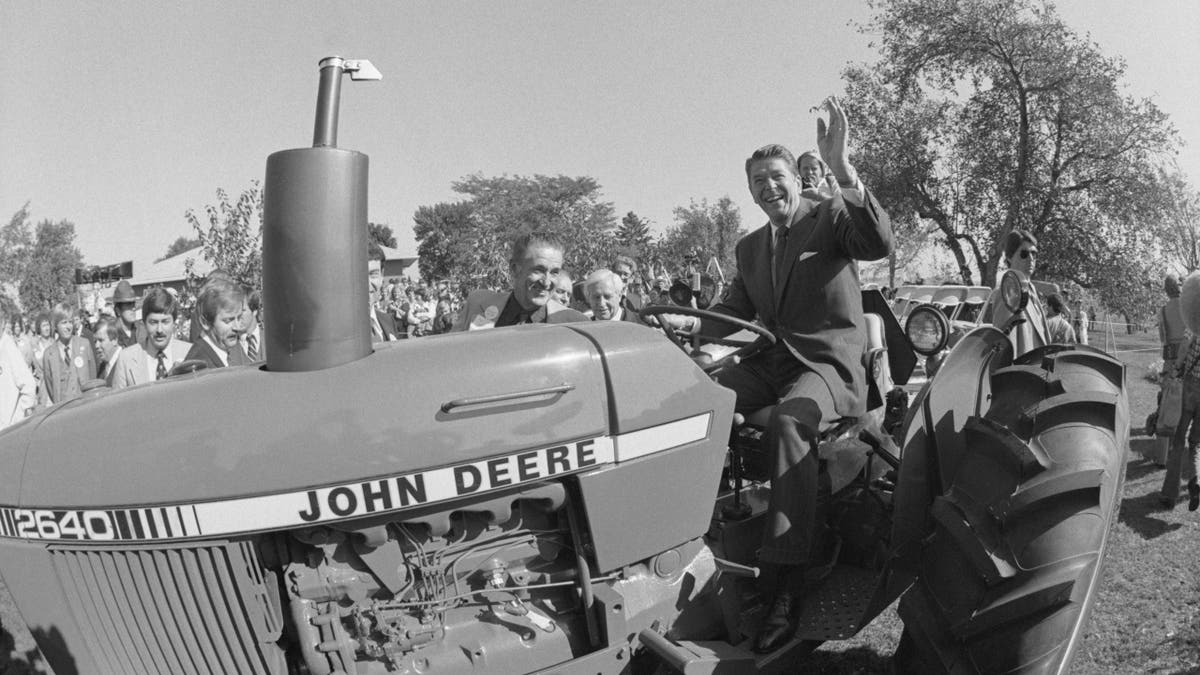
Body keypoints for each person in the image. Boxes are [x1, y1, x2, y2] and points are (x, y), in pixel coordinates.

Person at [684, 98, 893, 652]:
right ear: (751, 192)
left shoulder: (829, 217)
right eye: (758, 181)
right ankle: (689, 535)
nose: (769, 187)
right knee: (693, 401)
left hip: (826, 363)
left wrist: (843, 168)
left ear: (794, 181)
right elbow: (730, 316)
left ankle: (784, 583)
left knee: (792, 424)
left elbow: (877, 244)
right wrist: (692, 332)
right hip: (771, 361)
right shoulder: (749, 247)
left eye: (776, 176)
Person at [452, 231, 589, 331]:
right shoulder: (478, 304)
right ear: (514, 269)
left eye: (554, 273)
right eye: (538, 270)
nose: (546, 282)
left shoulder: (575, 323)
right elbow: (453, 354)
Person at [1161, 271, 1200, 511]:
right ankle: (1196, 482)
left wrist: (1175, 370)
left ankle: (1169, 494)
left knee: (1178, 440)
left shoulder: (1193, 327)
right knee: (1196, 442)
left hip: (1190, 387)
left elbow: (1184, 352)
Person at [110, 288, 193, 388]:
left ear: (174, 322)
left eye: (165, 322)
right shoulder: (126, 359)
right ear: (144, 323)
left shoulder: (189, 353)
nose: (159, 330)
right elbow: (119, 401)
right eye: (153, 322)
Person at [985, 229, 1048, 349]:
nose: (1031, 259)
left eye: (1034, 253)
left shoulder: (1031, 289)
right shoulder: (1007, 293)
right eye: (1024, 254)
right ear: (1009, 257)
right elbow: (1003, 346)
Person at [40, 304, 97, 405]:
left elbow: (92, 375)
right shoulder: (49, 354)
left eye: (70, 322)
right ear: (55, 326)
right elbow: (50, 387)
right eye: (64, 323)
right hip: (63, 409)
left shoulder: (84, 344)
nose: (68, 327)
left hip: (86, 405)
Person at [184, 281, 248, 368]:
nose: (237, 327)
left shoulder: (231, 351)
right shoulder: (199, 367)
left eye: (239, 317)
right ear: (205, 323)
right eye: (228, 320)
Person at [0, 297, 36, 429]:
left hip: (7, 431)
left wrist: (15, 422)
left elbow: (29, 386)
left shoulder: (8, 347)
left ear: (3, 322)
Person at [367, 257, 399, 342]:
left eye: (373, 274)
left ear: (382, 276)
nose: (366, 283)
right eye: (358, 275)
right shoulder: (331, 329)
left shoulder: (388, 321)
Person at [111, 279, 141, 348]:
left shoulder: (142, 330)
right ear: (118, 310)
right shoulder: (111, 333)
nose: (133, 308)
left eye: (133, 304)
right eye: (129, 305)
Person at [91, 316, 122, 383]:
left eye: (101, 340)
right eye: (95, 341)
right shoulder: (102, 367)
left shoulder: (127, 363)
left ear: (114, 340)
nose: (96, 346)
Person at [241, 287, 264, 361]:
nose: (237, 314)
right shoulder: (228, 344)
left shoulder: (272, 340)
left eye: (242, 310)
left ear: (254, 311)